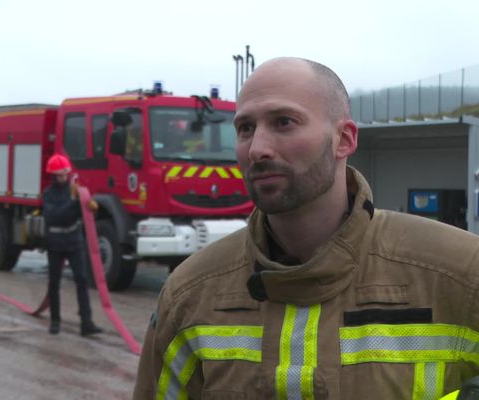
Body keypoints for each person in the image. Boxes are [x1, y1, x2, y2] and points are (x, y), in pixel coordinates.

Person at [133, 58, 479, 399]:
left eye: (284, 122)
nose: (257, 149)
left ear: (344, 139)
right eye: (245, 129)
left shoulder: (460, 273)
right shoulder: (188, 293)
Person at [42, 154, 102, 337]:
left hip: (74, 241)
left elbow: (84, 212)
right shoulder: (48, 194)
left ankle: (86, 322)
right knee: (54, 282)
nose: (62, 178)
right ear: (52, 175)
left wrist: (90, 205)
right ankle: (55, 320)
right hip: (55, 242)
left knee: (82, 280)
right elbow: (54, 215)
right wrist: (73, 202)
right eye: (58, 175)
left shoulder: (74, 190)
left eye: (64, 174)